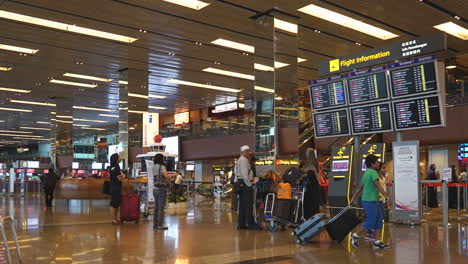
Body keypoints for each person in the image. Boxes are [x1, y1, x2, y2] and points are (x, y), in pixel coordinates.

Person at [350, 154, 391, 249]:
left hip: (373, 200)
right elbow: (378, 186)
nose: (378, 164)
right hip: (370, 201)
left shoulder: (366, 173)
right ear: (372, 164)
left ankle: (377, 242)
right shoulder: (373, 172)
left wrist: (354, 197)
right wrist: (387, 197)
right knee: (371, 221)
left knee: (378, 221)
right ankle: (355, 235)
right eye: (376, 162)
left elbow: (360, 187)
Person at [234, 145, 260, 230]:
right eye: (246, 151)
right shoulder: (243, 160)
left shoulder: (240, 160)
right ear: (242, 152)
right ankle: (250, 224)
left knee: (242, 205)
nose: (248, 153)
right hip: (245, 184)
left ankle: (242, 224)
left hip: (241, 184)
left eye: (249, 151)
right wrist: (251, 181)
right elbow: (245, 174)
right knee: (248, 204)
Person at [153, 154, 171, 230]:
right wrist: (169, 183)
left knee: (156, 207)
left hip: (155, 188)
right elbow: (166, 176)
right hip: (162, 189)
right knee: (161, 208)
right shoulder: (162, 167)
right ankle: (160, 225)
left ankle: (155, 225)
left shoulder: (153, 167)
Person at [302, 149, 321, 219]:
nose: (306, 154)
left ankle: (310, 217)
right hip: (311, 186)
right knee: (311, 202)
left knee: (311, 201)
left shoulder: (312, 164)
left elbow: (314, 175)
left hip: (312, 186)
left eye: (307, 153)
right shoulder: (311, 163)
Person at [109, 153, 124, 225]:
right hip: (116, 187)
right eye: (119, 157)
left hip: (113, 186)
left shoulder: (112, 166)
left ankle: (115, 218)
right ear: (116, 159)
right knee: (114, 203)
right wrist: (123, 176)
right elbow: (119, 178)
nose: (121, 158)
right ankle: (113, 219)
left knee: (116, 203)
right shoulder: (116, 167)